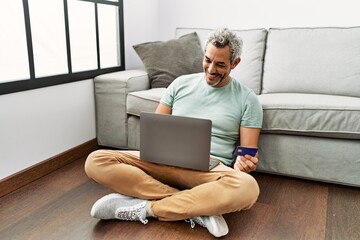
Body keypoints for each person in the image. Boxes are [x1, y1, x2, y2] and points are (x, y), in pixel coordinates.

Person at [85, 28, 263, 238]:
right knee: (96, 160)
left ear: (235, 63)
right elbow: (157, 131)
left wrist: (245, 163)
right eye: (207, 60)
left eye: (220, 64)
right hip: (163, 162)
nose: (211, 69)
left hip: (209, 171)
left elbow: (247, 154)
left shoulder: (248, 100)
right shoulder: (180, 84)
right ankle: (198, 208)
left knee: (248, 188)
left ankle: (147, 209)